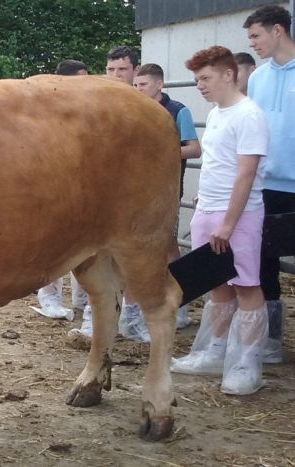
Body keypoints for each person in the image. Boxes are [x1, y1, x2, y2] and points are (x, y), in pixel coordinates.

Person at [171, 46, 269, 395]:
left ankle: (247, 364)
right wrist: (204, 202)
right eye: (197, 79)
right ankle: (213, 351)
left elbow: (246, 173)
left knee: (246, 284)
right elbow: (217, 163)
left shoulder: (248, 115)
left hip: (238, 215)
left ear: (229, 74)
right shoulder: (216, 113)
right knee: (217, 281)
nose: (200, 85)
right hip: (208, 209)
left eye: (205, 78)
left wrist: (228, 222)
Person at [69, 45, 151, 343]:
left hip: (133, 194)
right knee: (94, 260)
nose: (116, 75)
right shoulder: (94, 107)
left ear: (135, 71)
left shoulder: (148, 111)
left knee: (134, 257)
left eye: (122, 69)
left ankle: (132, 317)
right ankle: (94, 321)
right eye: (111, 69)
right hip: (97, 195)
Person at [243, 4, 295, 364]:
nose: (252, 43)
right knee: (263, 261)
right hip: (266, 184)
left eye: (256, 35)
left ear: (278, 30)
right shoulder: (258, 78)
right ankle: (271, 339)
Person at [133, 63, 202, 328]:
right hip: (136, 193)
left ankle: (179, 305)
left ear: (159, 85)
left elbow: (194, 149)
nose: (138, 89)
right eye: (136, 85)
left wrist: (160, 150)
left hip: (165, 193)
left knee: (168, 245)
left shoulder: (177, 111)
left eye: (143, 84)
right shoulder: (133, 110)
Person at [34, 59, 91, 321]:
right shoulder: (45, 111)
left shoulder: (88, 113)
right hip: (53, 189)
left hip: (81, 189)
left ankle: (83, 299)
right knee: (53, 244)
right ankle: (49, 296)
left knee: (85, 244)